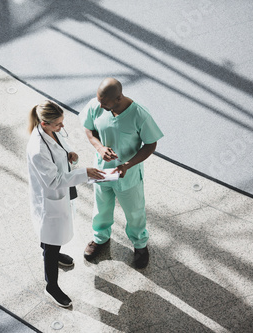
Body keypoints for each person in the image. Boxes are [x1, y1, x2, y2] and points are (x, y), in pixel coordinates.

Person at [79, 78, 164, 269]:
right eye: (98, 100)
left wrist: (128, 164)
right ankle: (100, 239)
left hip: (128, 174)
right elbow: (89, 129)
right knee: (101, 207)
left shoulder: (139, 115)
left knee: (134, 211)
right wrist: (99, 148)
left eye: (104, 103)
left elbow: (151, 144)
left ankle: (140, 245)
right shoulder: (96, 106)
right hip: (102, 170)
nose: (99, 105)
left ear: (118, 98)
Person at [27, 100, 104, 307]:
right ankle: (51, 286)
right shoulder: (37, 149)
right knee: (51, 240)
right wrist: (84, 173)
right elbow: (53, 181)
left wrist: (72, 156)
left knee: (55, 235)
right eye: (58, 124)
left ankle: (54, 252)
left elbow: (62, 152)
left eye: (62, 123)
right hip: (51, 197)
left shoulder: (52, 132)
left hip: (63, 191)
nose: (62, 128)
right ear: (45, 124)